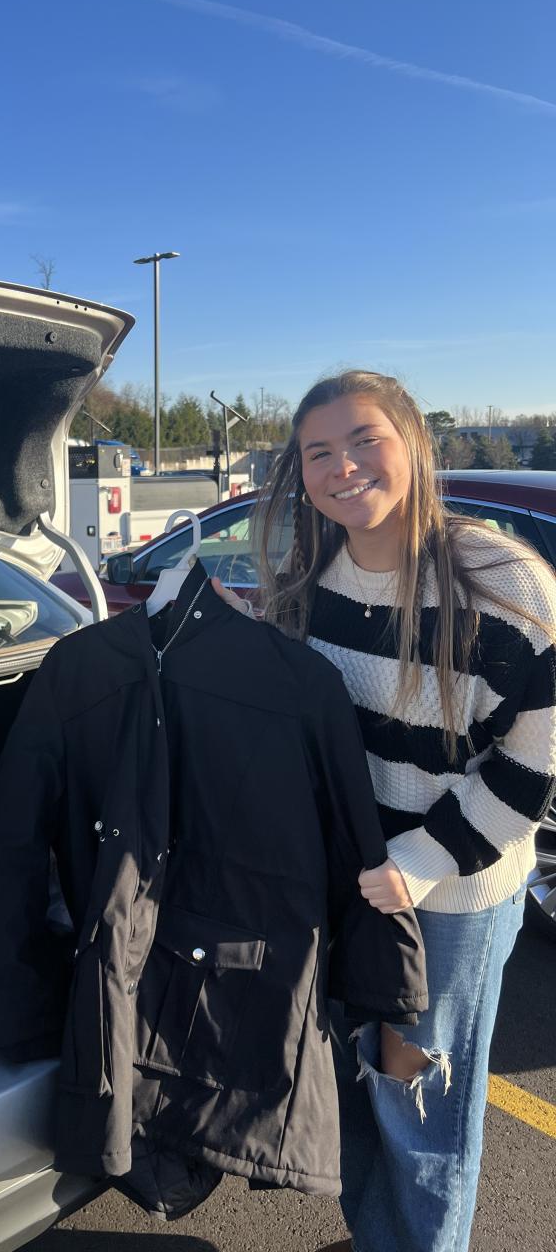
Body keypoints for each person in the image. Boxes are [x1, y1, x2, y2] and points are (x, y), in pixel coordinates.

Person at [213, 370, 556, 1252]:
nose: (344, 466)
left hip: (449, 895)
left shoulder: (503, 581)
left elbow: (534, 765)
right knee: (350, 1082)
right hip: (343, 882)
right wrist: (230, 628)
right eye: (319, 451)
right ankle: (384, 1237)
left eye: (366, 439)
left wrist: (421, 863)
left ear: (415, 444)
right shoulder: (309, 576)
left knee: (419, 1098)